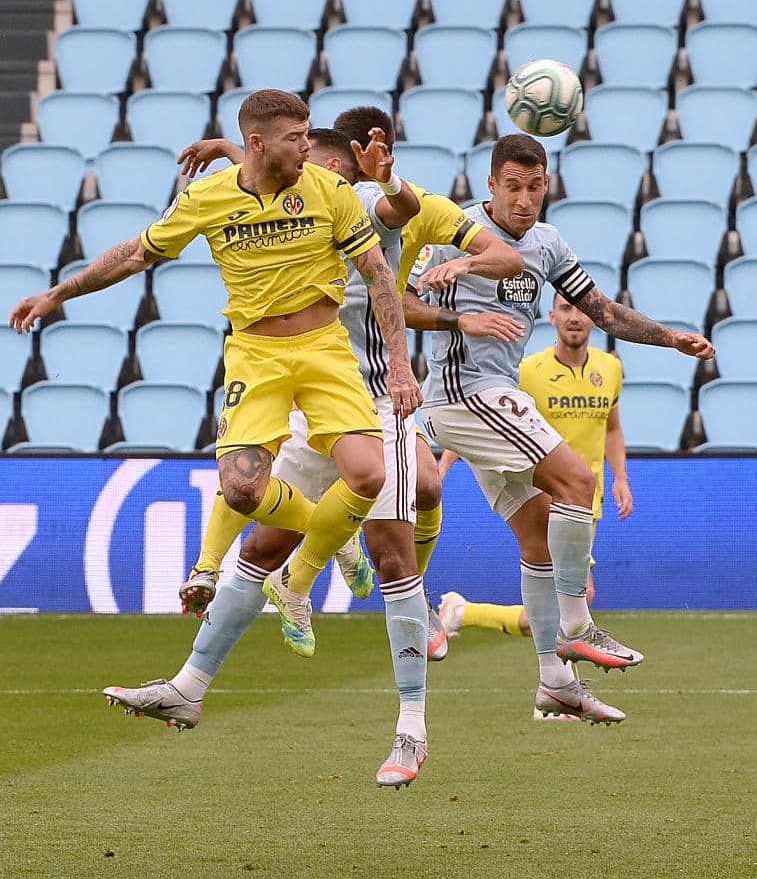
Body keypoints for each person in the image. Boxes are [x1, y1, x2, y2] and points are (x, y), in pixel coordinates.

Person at [100, 108, 524, 789]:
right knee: (262, 544)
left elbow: (414, 218)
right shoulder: (291, 195)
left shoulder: (364, 202)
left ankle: (410, 731)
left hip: (372, 397)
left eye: (321, 156)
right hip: (305, 398)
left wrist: (439, 274)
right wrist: (229, 150)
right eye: (300, 153)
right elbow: (257, 176)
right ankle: (188, 685)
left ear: (348, 163)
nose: (307, 167)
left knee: (392, 553)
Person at [9, 86, 423, 712]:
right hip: (254, 357)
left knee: (368, 476)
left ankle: (295, 576)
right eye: (296, 137)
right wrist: (58, 295)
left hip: (324, 350)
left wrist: (398, 365)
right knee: (240, 493)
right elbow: (134, 254)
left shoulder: (331, 191)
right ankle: (329, 543)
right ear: (257, 144)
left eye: (309, 135)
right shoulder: (209, 196)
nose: (308, 146)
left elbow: (379, 277)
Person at [404, 132, 715, 725]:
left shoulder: (547, 243)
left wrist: (670, 336)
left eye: (535, 187)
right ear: (491, 184)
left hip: (496, 397)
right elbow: (401, 304)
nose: (524, 200)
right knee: (576, 481)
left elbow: (604, 311)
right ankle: (577, 624)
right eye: (512, 187)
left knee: (540, 535)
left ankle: (555, 682)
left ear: (547, 186)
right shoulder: (453, 231)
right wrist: (461, 315)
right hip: (466, 395)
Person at [437, 293, 633, 691]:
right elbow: (483, 419)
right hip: (545, 492)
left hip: (586, 498)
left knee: (565, 602)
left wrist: (621, 477)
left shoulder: (610, 368)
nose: (574, 317)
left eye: (581, 309)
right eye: (565, 308)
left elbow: (612, 427)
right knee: (579, 597)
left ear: (595, 319)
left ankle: (464, 614)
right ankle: (556, 689)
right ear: (551, 316)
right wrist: (442, 467)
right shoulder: (529, 370)